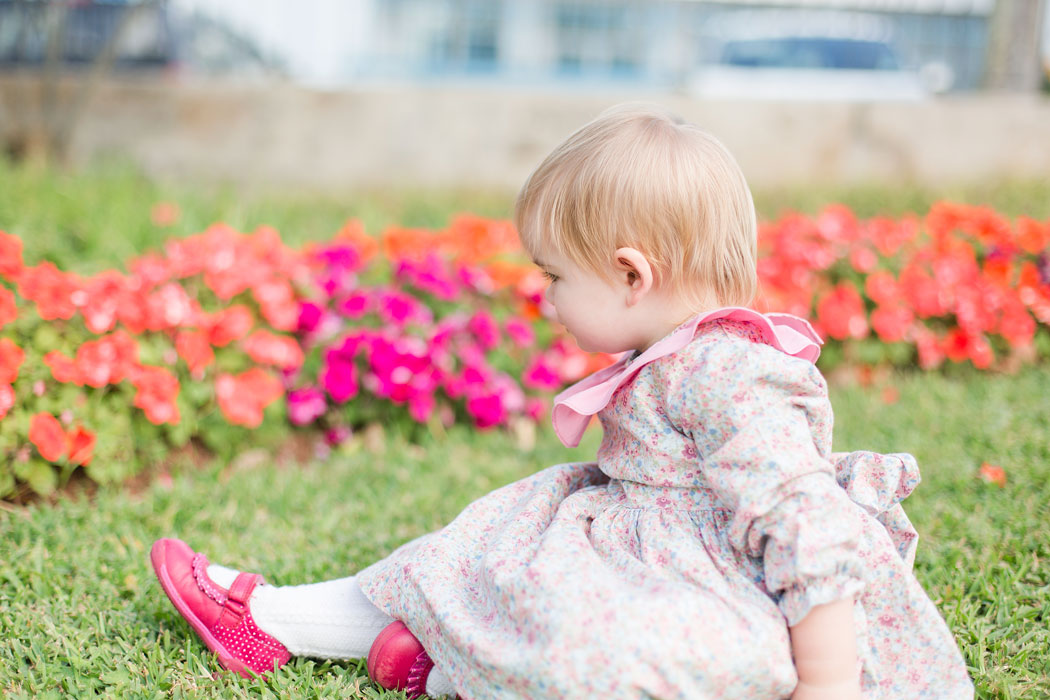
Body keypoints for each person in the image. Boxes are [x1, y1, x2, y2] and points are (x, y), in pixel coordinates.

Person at [150, 104, 974, 699]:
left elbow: (807, 524)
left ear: (630, 275)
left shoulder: (730, 373)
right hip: (628, 536)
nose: (542, 296)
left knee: (601, 652)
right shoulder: (675, 349)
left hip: (715, 591)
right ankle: (268, 618)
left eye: (554, 276)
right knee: (458, 557)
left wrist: (828, 681)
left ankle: (451, 672)